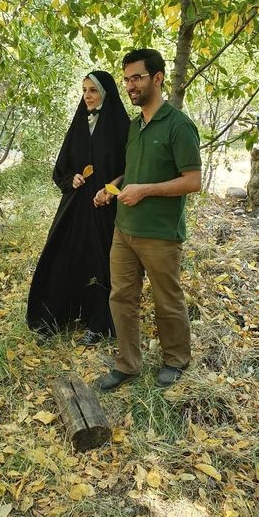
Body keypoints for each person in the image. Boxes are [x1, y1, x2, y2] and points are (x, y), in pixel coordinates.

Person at [94, 49, 202, 389]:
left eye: (137, 78)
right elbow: (133, 173)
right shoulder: (134, 126)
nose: (130, 85)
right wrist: (112, 188)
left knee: (166, 299)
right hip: (124, 229)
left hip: (160, 233)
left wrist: (145, 191)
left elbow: (193, 181)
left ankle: (176, 359)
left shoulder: (179, 125)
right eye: (126, 79)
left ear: (157, 78)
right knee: (121, 297)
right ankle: (127, 364)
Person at [26, 71, 130, 345]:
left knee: (100, 262)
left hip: (105, 208)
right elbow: (62, 167)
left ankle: (99, 324)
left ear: (105, 93)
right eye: (84, 90)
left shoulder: (122, 127)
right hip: (75, 207)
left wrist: (111, 189)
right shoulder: (78, 125)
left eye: (93, 90)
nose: (87, 96)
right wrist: (71, 178)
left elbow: (131, 170)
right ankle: (54, 317)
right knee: (62, 257)